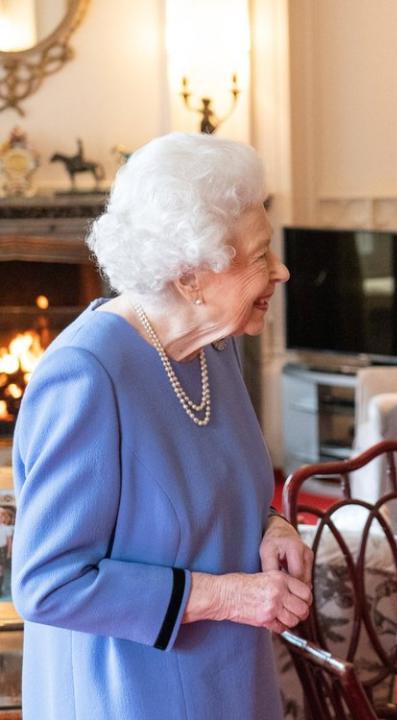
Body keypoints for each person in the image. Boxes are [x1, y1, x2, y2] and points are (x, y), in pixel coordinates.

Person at [12, 132, 313, 719]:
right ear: (190, 277)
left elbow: (220, 485)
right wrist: (229, 595)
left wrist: (273, 526)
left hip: (227, 676)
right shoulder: (87, 375)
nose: (281, 271)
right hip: (126, 692)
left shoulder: (213, 347)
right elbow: (49, 583)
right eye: (259, 257)